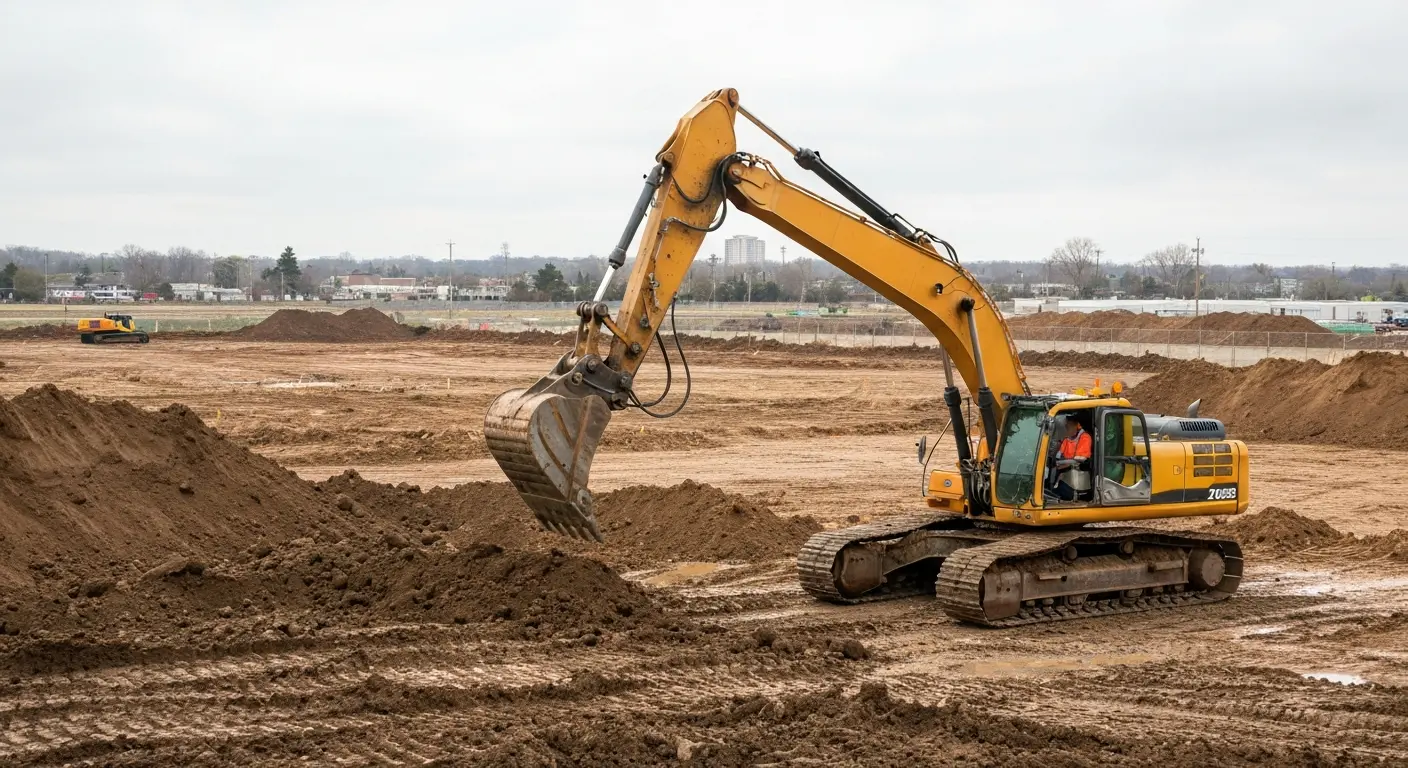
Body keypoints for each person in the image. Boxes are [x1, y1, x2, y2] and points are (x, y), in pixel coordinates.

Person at [1049, 415, 1093, 502]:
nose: (1066, 427)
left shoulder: (1085, 437)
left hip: (1075, 480)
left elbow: (1080, 460)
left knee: (1054, 494)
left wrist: (1061, 464)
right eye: (1066, 425)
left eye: (1068, 426)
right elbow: (1059, 455)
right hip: (1064, 474)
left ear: (1076, 425)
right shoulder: (1067, 439)